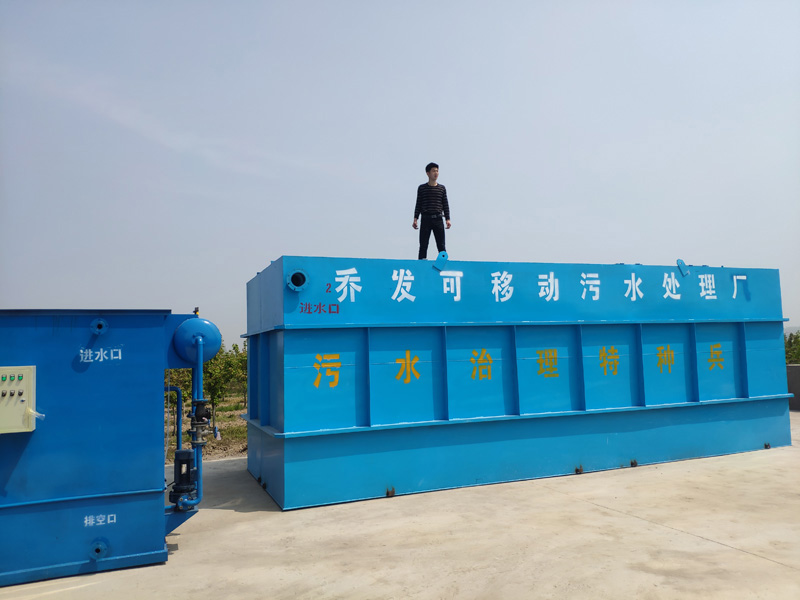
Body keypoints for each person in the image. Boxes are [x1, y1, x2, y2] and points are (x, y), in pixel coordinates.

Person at [413, 162, 451, 259]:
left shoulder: (442, 188)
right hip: (426, 218)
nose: (436, 173)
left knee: (441, 246)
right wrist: (415, 218)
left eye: (437, 171)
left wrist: (447, 219)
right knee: (423, 245)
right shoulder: (422, 188)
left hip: (438, 219)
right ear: (428, 173)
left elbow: (445, 204)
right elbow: (418, 204)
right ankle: (421, 264)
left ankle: (443, 264)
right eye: (434, 171)